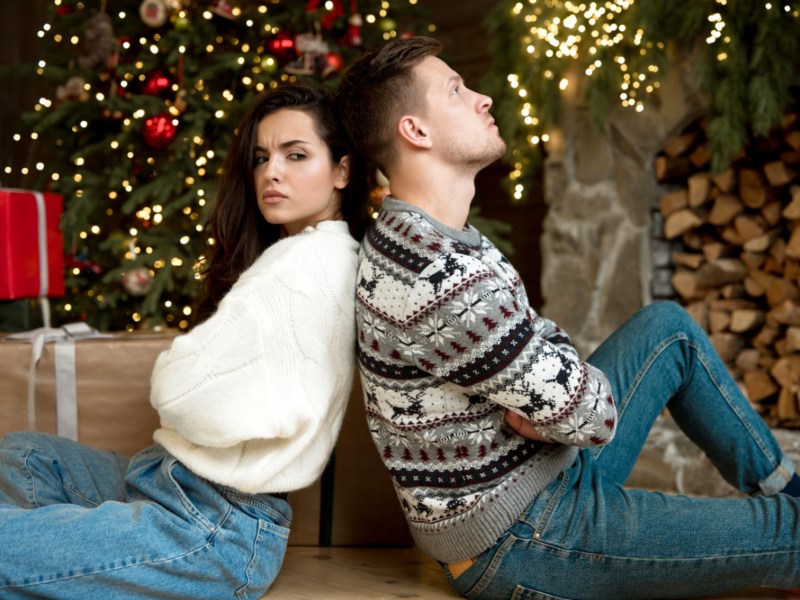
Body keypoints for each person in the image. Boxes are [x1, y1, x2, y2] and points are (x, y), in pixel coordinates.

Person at [335, 36, 800, 599]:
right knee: (791, 535)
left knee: (667, 331)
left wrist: (546, 393)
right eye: (456, 90)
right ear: (416, 131)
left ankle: (789, 485)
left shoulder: (430, 236)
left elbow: (543, 343)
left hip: (542, 475)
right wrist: (555, 396)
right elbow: (591, 415)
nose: (482, 98)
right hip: (521, 535)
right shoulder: (437, 276)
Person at [0, 81, 369, 599]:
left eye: (296, 155)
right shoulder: (310, 255)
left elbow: (179, 393)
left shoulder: (303, 267)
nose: (272, 172)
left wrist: (180, 366)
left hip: (212, 527)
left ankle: (60, 565)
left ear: (343, 171)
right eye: (262, 157)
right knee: (28, 456)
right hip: (172, 481)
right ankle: (69, 568)